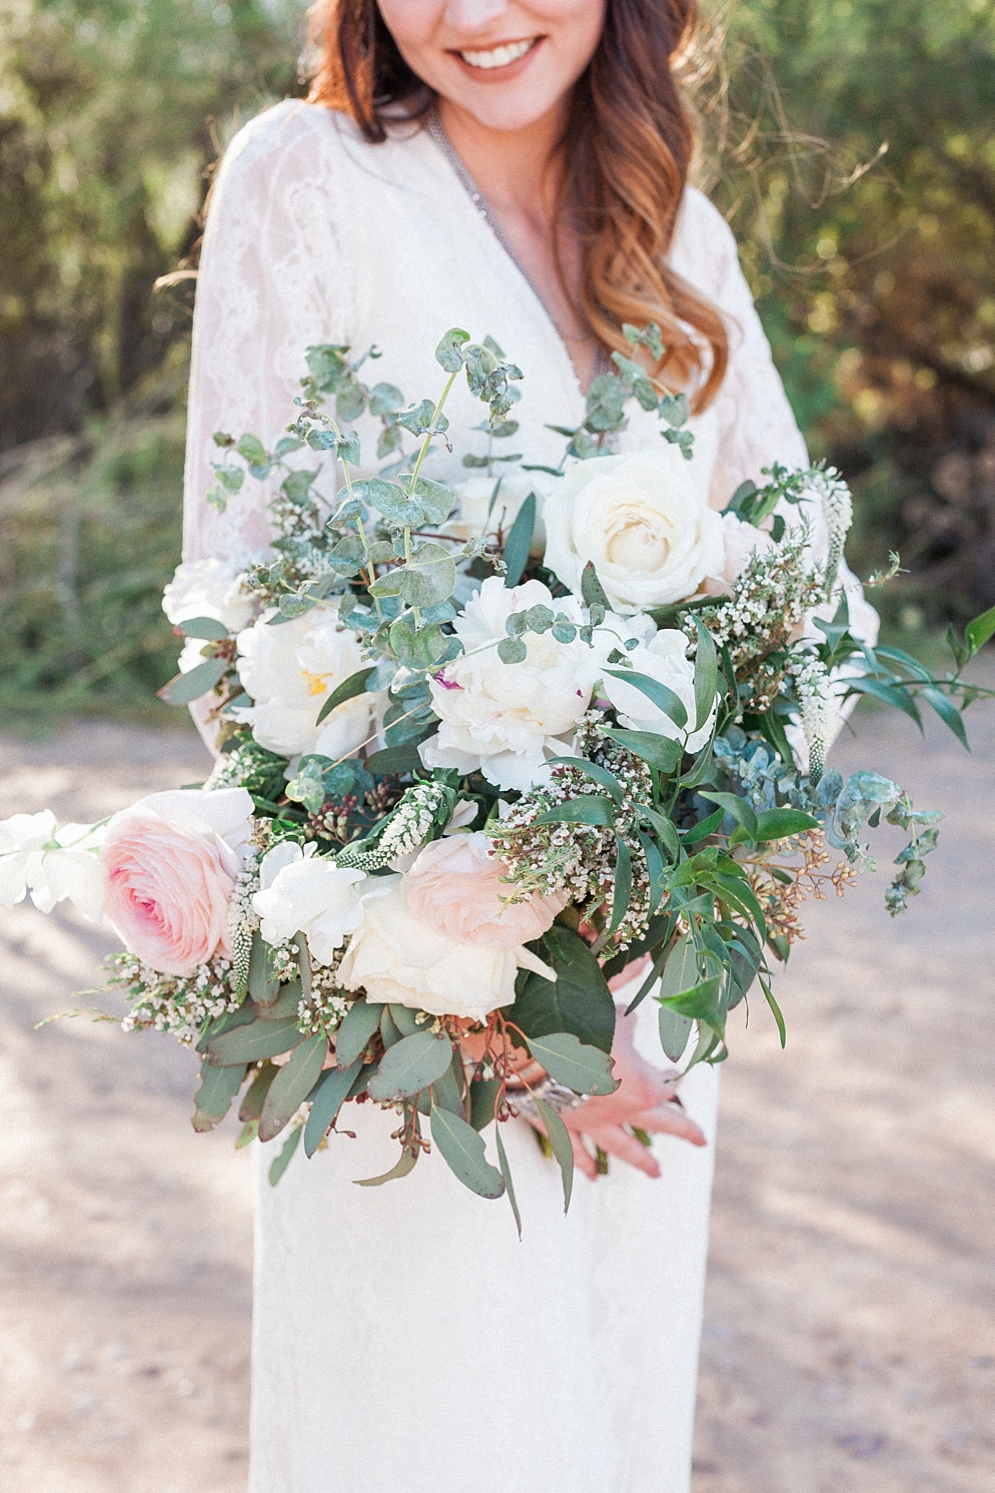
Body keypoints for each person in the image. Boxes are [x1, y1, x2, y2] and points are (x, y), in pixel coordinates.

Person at [181, 3, 862, 1488]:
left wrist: (676, 875)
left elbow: (814, 596)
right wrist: (481, 985)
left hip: (643, 983)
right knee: (432, 1429)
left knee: (604, 1426)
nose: (476, 16)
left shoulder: (677, 227)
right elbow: (240, 632)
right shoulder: (307, 180)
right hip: (416, 1010)